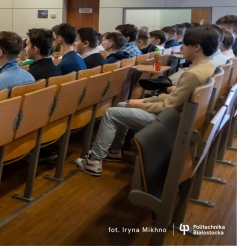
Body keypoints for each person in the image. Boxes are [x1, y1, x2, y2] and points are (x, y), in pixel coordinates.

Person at [75, 26, 217, 177]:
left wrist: (140, 104)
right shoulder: (208, 67)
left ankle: (94, 161)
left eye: (186, 44)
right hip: (176, 117)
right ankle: (114, 150)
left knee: (111, 113)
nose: (182, 47)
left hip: (168, 121)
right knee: (122, 105)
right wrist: (143, 101)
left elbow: (169, 106)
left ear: (196, 47)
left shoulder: (193, 74)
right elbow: (173, 99)